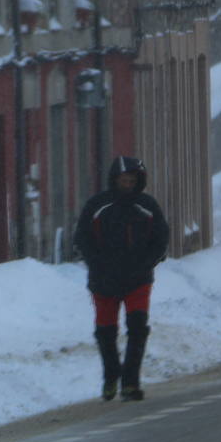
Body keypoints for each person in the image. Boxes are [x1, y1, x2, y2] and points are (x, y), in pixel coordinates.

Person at [74, 156, 170, 402]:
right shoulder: (97, 206)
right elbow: (82, 238)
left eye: (131, 180)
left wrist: (147, 262)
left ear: (139, 182)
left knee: (138, 329)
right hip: (103, 280)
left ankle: (130, 382)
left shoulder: (148, 206)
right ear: (114, 180)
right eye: (123, 180)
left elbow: (161, 239)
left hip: (138, 279)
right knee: (105, 332)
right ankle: (110, 375)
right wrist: (97, 263)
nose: (127, 184)